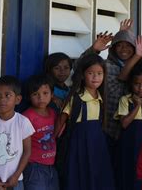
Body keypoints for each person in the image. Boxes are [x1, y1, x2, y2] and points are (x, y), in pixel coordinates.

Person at [54, 54, 115, 190]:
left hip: (97, 146)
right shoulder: (76, 98)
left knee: (97, 176)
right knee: (79, 176)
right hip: (78, 145)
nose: (95, 77)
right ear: (82, 75)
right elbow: (61, 120)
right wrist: (52, 141)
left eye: (99, 73)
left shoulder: (101, 98)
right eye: (91, 73)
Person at [115, 63, 142, 190]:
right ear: (131, 84)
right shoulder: (125, 100)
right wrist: (137, 106)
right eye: (137, 84)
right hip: (129, 144)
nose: (140, 88)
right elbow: (124, 124)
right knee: (128, 174)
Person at [22, 75, 59, 190]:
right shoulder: (27, 117)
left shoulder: (53, 114)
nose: (41, 98)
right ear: (29, 97)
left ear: (52, 95)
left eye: (45, 93)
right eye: (35, 94)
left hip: (51, 166)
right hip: (34, 168)